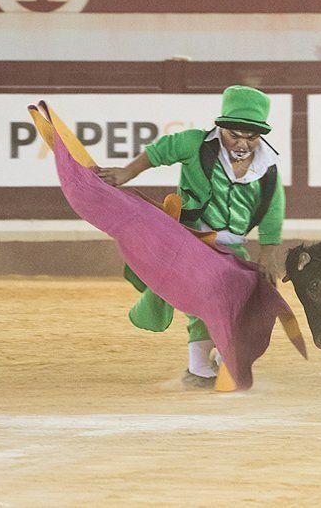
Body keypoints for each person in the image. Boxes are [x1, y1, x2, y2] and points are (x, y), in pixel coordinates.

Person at [97, 85, 285, 389]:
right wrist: (124, 175)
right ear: (221, 127)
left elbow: (274, 209)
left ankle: (217, 362)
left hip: (234, 248)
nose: (243, 143)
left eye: (251, 137)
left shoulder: (268, 167)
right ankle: (201, 367)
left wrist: (268, 251)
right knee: (205, 300)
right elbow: (159, 153)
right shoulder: (195, 144)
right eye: (235, 135)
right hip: (193, 242)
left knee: (247, 299)